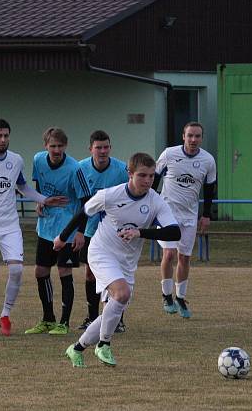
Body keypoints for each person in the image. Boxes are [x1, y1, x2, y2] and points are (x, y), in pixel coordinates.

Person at [61, 152, 180, 368]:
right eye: (142, 175)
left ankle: (77, 348)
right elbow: (83, 212)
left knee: (114, 308)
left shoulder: (155, 200)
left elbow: (174, 232)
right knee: (122, 293)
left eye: (152, 176)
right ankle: (103, 345)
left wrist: (140, 233)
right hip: (101, 252)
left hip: (127, 262)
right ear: (130, 174)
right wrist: (62, 237)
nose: (147, 181)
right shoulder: (110, 195)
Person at [0, 119, 67, 337]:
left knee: (17, 270)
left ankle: (5, 315)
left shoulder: (16, 160)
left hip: (9, 225)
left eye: (6, 135)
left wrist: (44, 199)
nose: (2, 139)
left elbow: (22, 187)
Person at [24, 127, 91, 336]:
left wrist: (81, 232)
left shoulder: (74, 168)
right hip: (46, 227)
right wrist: (40, 201)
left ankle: (64, 322)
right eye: (52, 146)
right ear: (45, 146)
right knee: (40, 271)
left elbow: (87, 202)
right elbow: (38, 184)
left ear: (65, 146)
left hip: (68, 230)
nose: (56, 150)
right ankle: (47, 319)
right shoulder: (38, 160)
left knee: (64, 271)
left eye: (60, 146)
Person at [154, 121, 216, 319]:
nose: (193, 140)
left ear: (201, 138)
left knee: (184, 257)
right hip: (166, 212)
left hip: (189, 215)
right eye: (190, 135)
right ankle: (166, 295)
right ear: (183, 136)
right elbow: (153, 179)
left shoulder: (208, 160)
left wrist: (206, 215)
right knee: (169, 253)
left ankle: (180, 297)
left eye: (197, 136)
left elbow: (209, 189)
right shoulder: (169, 154)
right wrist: (150, 206)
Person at [77, 130, 129, 332]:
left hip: (115, 231)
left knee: (117, 274)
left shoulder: (121, 169)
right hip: (90, 230)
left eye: (106, 147)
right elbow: (77, 200)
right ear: (91, 149)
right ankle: (92, 317)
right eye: (98, 147)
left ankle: (118, 319)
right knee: (90, 273)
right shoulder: (81, 169)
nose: (102, 151)